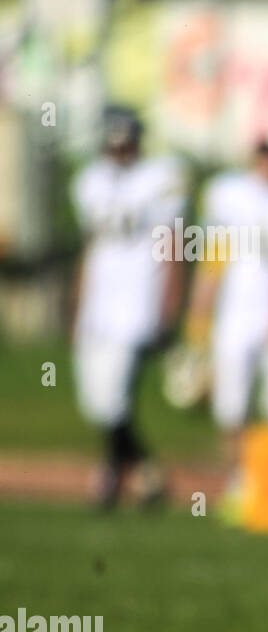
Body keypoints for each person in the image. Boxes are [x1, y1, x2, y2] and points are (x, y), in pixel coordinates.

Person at [70, 106, 187, 508]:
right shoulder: (91, 182)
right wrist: (78, 301)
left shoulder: (159, 180)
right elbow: (90, 247)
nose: (120, 150)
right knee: (95, 400)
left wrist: (169, 302)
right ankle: (142, 469)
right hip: (98, 307)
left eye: (126, 142)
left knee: (116, 396)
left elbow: (173, 244)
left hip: (138, 300)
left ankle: (110, 478)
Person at [182, 141, 268, 515]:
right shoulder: (230, 196)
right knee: (232, 404)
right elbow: (212, 260)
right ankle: (239, 482)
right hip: (236, 313)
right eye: (262, 155)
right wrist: (198, 319)